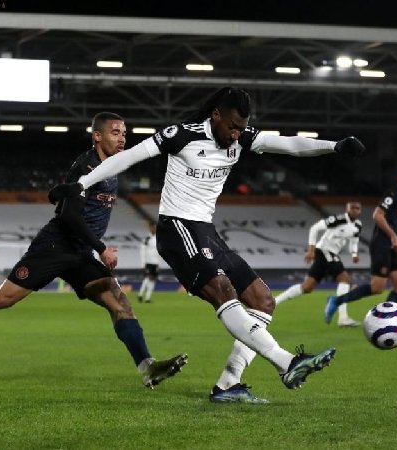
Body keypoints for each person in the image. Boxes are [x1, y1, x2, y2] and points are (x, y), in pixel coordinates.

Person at [49, 87, 366, 403]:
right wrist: (81, 184)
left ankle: (228, 385)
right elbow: (129, 157)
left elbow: (286, 143)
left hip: (206, 231)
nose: (235, 134)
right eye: (231, 126)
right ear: (215, 115)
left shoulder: (241, 136)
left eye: (241, 128)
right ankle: (287, 363)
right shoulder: (181, 135)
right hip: (177, 229)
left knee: (262, 300)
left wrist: (334, 146)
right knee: (223, 290)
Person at [0, 112, 187, 389]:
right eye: (115, 132)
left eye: (125, 133)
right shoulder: (86, 167)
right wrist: (101, 248)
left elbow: (61, 196)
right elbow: (68, 217)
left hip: (80, 253)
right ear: (97, 136)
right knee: (2, 299)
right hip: (55, 246)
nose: (123, 138)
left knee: (119, 303)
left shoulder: (112, 168)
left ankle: (147, 366)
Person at [325, 163, 397, 323]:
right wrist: (392, 236)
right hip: (381, 244)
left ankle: (384, 320)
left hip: (393, 246)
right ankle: (335, 301)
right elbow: (377, 215)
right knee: (377, 288)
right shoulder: (393, 194)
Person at [275, 201, 363, 327]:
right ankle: (343, 318)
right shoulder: (337, 219)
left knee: (307, 287)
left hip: (330, 254)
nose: (356, 210)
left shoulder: (358, 225)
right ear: (348, 209)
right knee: (345, 280)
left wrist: (354, 253)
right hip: (324, 251)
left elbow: (354, 241)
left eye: (358, 208)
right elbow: (315, 228)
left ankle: (274, 301)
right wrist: (311, 249)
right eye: (353, 208)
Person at [137, 221, 160, 303]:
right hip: (148, 262)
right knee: (147, 278)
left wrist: (158, 263)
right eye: (152, 227)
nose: (154, 228)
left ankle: (147, 297)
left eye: (155, 227)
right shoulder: (147, 239)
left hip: (156, 263)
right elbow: (142, 252)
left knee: (153, 280)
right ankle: (140, 294)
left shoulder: (158, 239)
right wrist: (143, 264)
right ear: (150, 228)